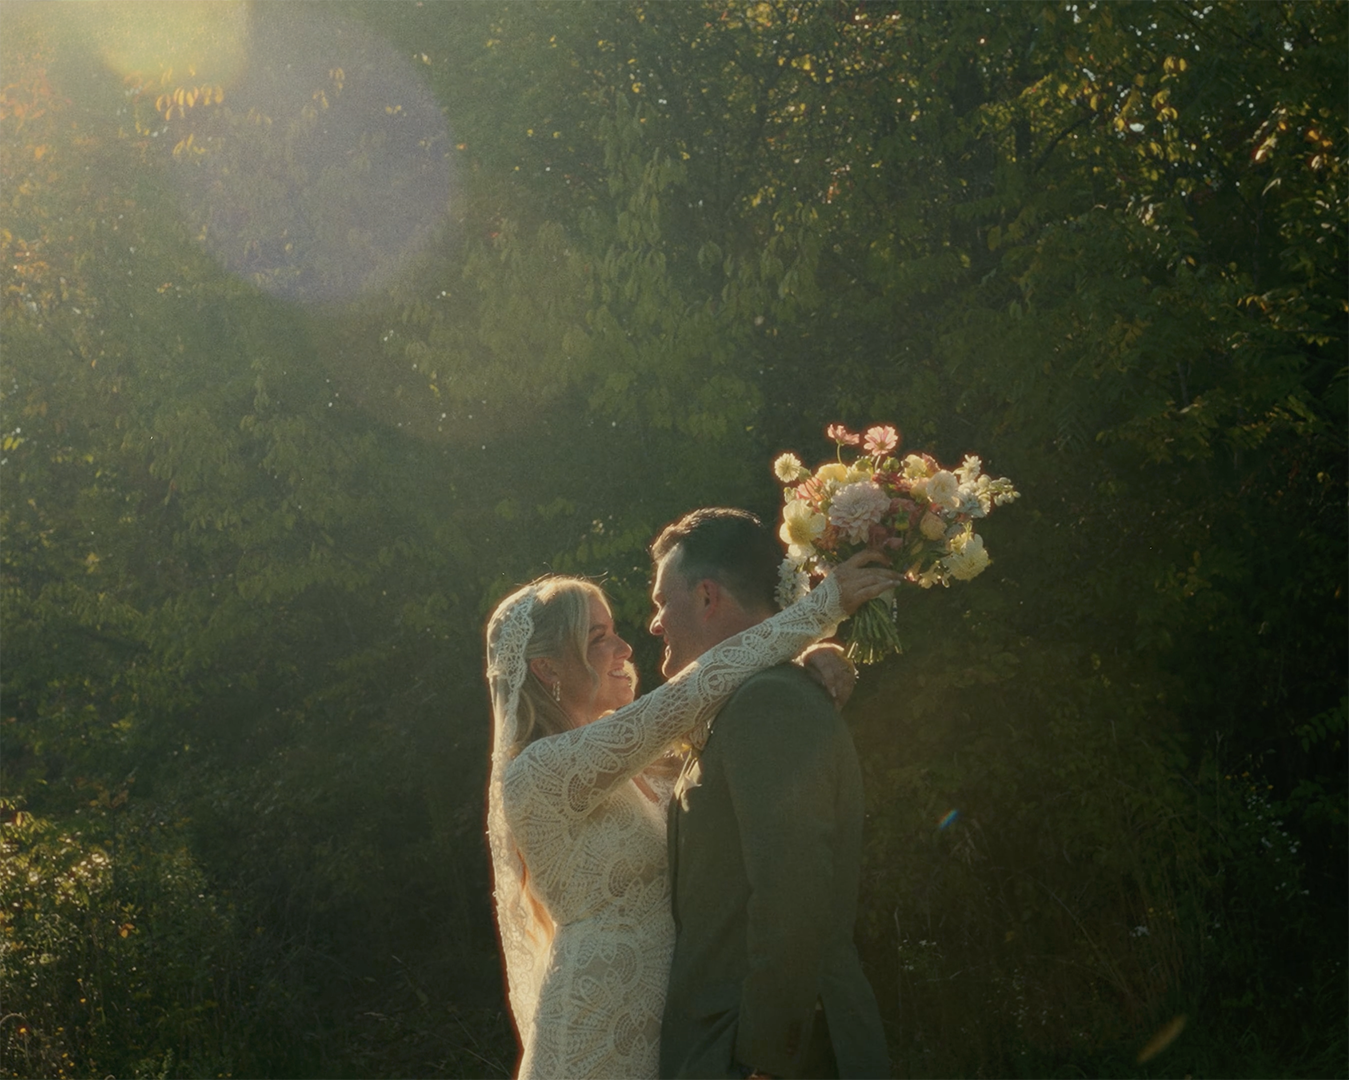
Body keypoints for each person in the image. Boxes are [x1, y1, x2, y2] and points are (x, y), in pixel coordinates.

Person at [484, 536, 897, 1080]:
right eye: (598, 638)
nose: (627, 649)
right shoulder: (538, 773)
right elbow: (690, 693)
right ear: (547, 668)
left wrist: (809, 658)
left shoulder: (639, 761)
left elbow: (727, 713)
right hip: (600, 1024)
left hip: (679, 1035)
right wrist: (820, 612)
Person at [654, 509, 891, 1080]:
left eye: (663, 601)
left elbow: (793, 893)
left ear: (707, 596)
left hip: (773, 1056)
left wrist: (766, 1061)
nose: (655, 622)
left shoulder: (769, 704)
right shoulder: (741, 705)